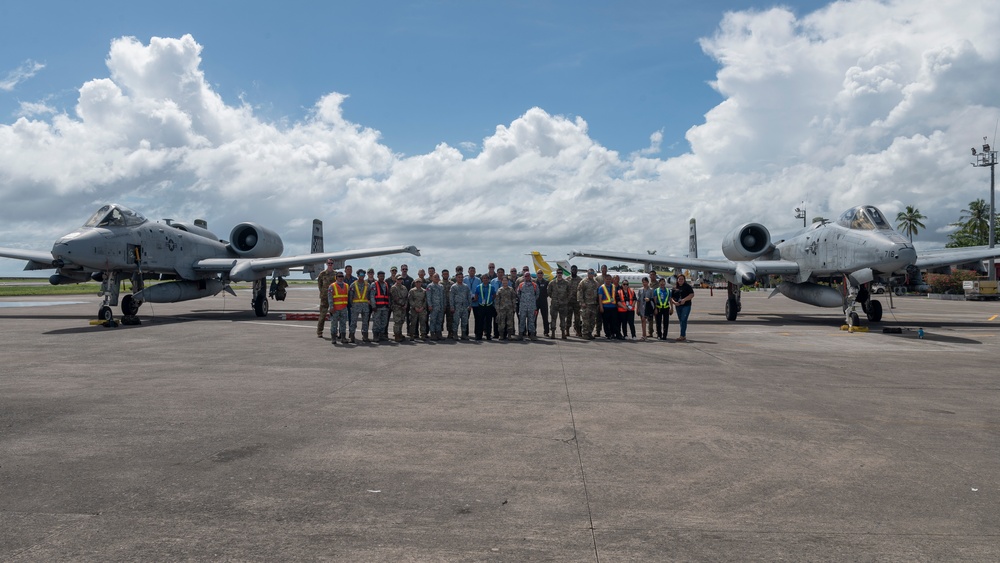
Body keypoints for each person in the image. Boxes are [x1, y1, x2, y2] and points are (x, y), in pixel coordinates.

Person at [316, 259, 337, 338]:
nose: (330, 264)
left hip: (334, 297)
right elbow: (320, 285)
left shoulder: (336, 274)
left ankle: (334, 332)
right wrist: (323, 293)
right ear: (326, 264)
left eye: (331, 263)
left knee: (334, 316)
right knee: (322, 315)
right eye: (329, 263)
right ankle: (319, 332)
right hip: (325, 297)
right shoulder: (322, 274)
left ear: (333, 264)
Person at [328, 271, 350, 344]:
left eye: (342, 276)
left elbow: (348, 296)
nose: (340, 278)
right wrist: (331, 307)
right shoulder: (332, 286)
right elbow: (330, 298)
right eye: (339, 276)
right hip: (335, 308)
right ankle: (333, 338)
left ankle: (343, 338)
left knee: (343, 323)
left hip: (343, 308)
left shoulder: (346, 286)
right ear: (336, 277)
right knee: (334, 324)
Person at [348, 272, 371, 343]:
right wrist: (352, 305)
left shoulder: (367, 284)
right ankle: (352, 336)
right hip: (356, 306)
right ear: (357, 276)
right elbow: (350, 296)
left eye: (363, 275)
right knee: (353, 322)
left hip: (365, 306)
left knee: (365, 322)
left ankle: (365, 336)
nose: (362, 276)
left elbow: (370, 295)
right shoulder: (353, 284)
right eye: (360, 275)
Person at [670, 274, 694, 341]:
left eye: (682, 279)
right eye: (679, 279)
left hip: (686, 305)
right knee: (681, 320)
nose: (680, 280)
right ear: (677, 280)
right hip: (678, 306)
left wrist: (684, 300)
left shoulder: (687, 287)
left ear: (684, 280)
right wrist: (674, 303)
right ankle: (682, 335)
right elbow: (671, 297)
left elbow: (692, 294)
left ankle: (682, 335)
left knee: (683, 319)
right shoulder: (675, 288)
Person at [577, 269, 599, 339]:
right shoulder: (583, 282)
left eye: (592, 273)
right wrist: (582, 302)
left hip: (593, 304)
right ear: (587, 273)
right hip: (586, 304)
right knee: (585, 320)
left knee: (592, 321)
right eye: (589, 273)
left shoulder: (596, 283)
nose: (591, 274)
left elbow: (598, 293)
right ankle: (585, 334)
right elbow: (580, 292)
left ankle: (590, 333)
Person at [547, 269, 570, 339]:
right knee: (553, 319)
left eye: (560, 273)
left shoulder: (566, 283)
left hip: (563, 304)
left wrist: (566, 300)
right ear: (556, 274)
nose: (559, 274)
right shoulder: (552, 283)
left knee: (563, 319)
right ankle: (553, 333)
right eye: (558, 273)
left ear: (562, 274)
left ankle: (563, 333)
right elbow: (549, 292)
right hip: (554, 304)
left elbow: (569, 292)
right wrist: (554, 298)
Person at [369, 271, 391, 342]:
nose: (382, 277)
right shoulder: (374, 284)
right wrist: (373, 306)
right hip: (377, 307)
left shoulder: (386, 284)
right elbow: (372, 296)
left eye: (383, 276)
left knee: (384, 322)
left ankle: (382, 335)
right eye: (381, 276)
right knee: (376, 322)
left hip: (385, 306)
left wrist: (388, 305)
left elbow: (388, 295)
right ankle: (375, 336)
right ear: (378, 276)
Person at [516, 272, 539, 340]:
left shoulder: (534, 285)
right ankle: (521, 334)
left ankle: (531, 334)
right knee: (522, 320)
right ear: (524, 277)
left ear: (530, 277)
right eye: (525, 276)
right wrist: (523, 300)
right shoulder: (521, 285)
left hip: (532, 306)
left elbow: (537, 294)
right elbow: (518, 294)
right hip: (523, 306)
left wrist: (532, 300)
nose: (527, 277)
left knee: (531, 320)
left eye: (528, 276)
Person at [449, 272, 472, 340]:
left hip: (464, 306)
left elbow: (469, 296)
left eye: (462, 277)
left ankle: (463, 334)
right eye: (459, 277)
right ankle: (455, 334)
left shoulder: (466, 286)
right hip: (457, 306)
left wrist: (470, 305)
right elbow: (451, 298)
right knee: (456, 321)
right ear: (456, 278)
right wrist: (452, 306)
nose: (460, 279)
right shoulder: (453, 287)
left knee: (464, 321)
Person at [474, 274, 495, 341]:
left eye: (486, 278)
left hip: (489, 306)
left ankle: (488, 335)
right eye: (484, 278)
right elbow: (476, 295)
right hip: (481, 306)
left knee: (489, 321)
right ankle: (479, 335)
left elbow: (494, 295)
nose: (485, 279)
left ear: (488, 279)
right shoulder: (478, 287)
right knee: (480, 321)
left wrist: (490, 300)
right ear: (482, 279)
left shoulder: (491, 287)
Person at [598, 273, 619, 340]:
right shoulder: (602, 287)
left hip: (613, 307)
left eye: (609, 279)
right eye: (607, 279)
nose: (608, 280)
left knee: (613, 321)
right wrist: (601, 307)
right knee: (606, 322)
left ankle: (613, 333)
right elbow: (600, 298)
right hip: (605, 307)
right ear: (604, 279)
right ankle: (608, 334)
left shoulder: (613, 286)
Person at [390, 274, 409, 342]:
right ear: (396, 279)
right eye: (398, 279)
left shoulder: (404, 288)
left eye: (401, 279)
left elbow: (406, 297)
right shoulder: (393, 288)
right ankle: (397, 335)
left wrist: (405, 305)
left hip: (403, 307)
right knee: (397, 322)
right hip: (397, 307)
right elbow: (395, 298)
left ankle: (400, 333)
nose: (400, 280)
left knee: (401, 321)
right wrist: (401, 304)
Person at [426, 273, 445, 340]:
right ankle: (432, 333)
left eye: (437, 277)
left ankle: (438, 333)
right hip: (433, 307)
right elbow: (428, 297)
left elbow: (443, 297)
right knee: (433, 321)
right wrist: (430, 305)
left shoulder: (441, 286)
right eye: (435, 277)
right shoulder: (430, 286)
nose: (436, 278)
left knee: (439, 321)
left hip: (440, 306)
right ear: (432, 278)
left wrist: (443, 305)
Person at [567, 265, 583, 337]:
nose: (574, 271)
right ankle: (567, 331)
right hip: (569, 302)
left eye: (575, 270)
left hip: (577, 302)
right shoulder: (567, 279)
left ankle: (578, 331)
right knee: (568, 317)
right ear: (571, 270)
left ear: (577, 270)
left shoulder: (580, 280)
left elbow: (581, 290)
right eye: (573, 269)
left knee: (577, 318)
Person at [535, 269, 550, 338]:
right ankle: (533, 331)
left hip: (543, 302)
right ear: (537, 274)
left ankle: (546, 332)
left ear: (543, 274)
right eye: (538, 273)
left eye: (541, 273)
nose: (540, 274)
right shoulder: (534, 282)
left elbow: (548, 292)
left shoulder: (546, 282)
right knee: (534, 317)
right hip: (536, 302)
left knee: (545, 317)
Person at [441, 269, 453, 340]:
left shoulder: (452, 283)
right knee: (440, 319)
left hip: (449, 303)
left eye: (446, 274)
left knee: (450, 319)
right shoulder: (439, 283)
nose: (445, 275)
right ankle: (439, 333)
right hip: (442, 304)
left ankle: (450, 333)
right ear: (442, 275)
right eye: (444, 274)